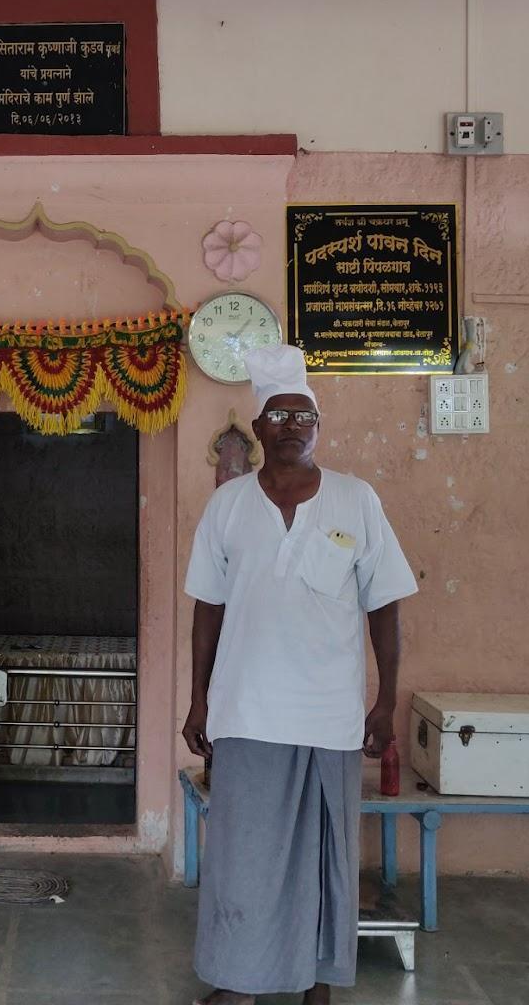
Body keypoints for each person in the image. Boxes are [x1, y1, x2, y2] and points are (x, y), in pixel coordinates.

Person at [182, 344, 417, 1005]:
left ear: (319, 427)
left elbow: (385, 605)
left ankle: (319, 984)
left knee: (327, 855)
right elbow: (207, 608)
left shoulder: (355, 500)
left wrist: (384, 701)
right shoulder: (228, 507)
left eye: (303, 415)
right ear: (256, 429)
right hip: (247, 709)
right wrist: (199, 701)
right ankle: (239, 983)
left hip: (329, 713)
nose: (291, 425)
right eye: (278, 415)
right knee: (242, 856)